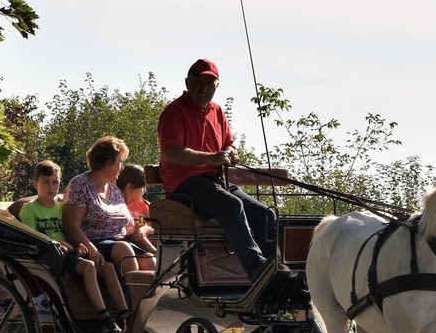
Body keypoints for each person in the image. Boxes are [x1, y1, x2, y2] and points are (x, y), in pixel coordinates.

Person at [157, 58, 282, 282]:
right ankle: (257, 269)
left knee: (264, 214)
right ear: (187, 82)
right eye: (198, 82)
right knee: (232, 205)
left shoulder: (217, 111)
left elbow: (229, 143)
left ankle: (278, 269)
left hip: (215, 180)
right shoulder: (174, 112)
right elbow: (172, 153)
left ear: (217, 86)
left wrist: (231, 153)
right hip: (184, 183)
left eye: (209, 84)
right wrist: (213, 158)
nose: (203, 89)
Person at [9, 160, 122, 333]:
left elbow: (71, 230)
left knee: (107, 266)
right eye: (45, 182)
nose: (51, 187)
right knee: (89, 267)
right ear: (35, 184)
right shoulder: (29, 210)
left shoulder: (62, 207)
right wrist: (56, 243)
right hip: (48, 256)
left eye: (55, 182)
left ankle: (124, 313)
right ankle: (105, 317)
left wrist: (80, 246)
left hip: (69, 253)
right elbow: (33, 238)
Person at [63, 137, 157, 282]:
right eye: (120, 161)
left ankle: (144, 303)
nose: (122, 167)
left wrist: (138, 229)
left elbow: (126, 225)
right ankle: (131, 302)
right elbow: (72, 226)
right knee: (124, 249)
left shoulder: (114, 189)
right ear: (107, 163)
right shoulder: (80, 184)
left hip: (120, 240)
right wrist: (92, 249)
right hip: (93, 241)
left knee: (149, 260)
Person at [118, 162, 154, 240]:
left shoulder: (143, 204)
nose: (145, 190)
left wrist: (145, 229)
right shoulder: (116, 205)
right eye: (143, 187)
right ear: (129, 187)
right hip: (128, 242)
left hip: (144, 242)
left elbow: (155, 229)